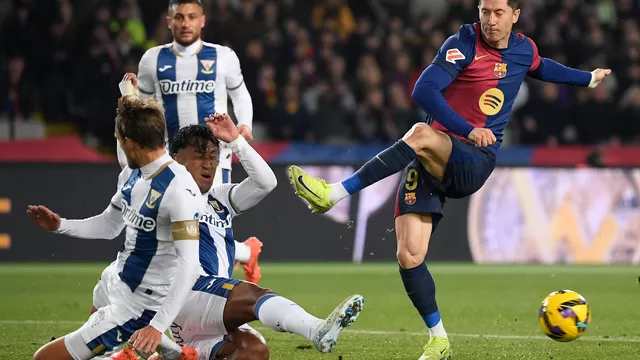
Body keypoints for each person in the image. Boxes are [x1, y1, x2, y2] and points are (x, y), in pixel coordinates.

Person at [287, 0, 612, 359]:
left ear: (516, 15)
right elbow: (423, 91)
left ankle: (333, 194)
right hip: (437, 154)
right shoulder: (463, 43)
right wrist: (469, 129)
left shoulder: (524, 49)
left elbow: (542, 67)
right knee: (409, 254)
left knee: (420, 133)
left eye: (498, 13)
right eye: (484, 12)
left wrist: (587, 78)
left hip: (473, 160)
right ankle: (439, 339)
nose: (489, 20)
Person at [109, 116, 364, 359]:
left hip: (207, 309)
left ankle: (179, 357)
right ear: (176, 159)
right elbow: (136, 161)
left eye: (212, 156)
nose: (208, 163)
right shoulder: (163, 195)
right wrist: (128, 100)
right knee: (253, 295)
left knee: (253, 351)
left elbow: (266, 183)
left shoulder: (219, 198)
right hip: (186, 293)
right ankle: (317, 330)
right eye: (199, 156)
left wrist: (236, 141)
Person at [28, 96, 204, 359]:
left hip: (141, 304)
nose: (118, 144)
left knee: (44, 358)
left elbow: (190, 265)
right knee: (93, 328)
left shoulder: (180, 190)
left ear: (130, 143)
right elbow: (111, 224)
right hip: (117, 277)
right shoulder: (132, 174)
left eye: (119, 139)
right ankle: (176, 355)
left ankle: (161, 351)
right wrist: (60, 225)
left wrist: (157, 326)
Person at [118, 0, 262, 284]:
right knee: (174, 224)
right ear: (169, 21)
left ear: (202, 21)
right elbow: (143, 107)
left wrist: (244, 124)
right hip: (170, 156)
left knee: (206, 225)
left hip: (212, 156)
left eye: (192, 17)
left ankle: (213, 291)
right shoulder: (152, 60)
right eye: (180, 17)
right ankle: (245, 253)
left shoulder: (223, 57)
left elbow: (241, 94)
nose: (186, 23)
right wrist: (130, 98)